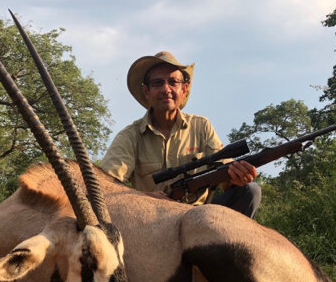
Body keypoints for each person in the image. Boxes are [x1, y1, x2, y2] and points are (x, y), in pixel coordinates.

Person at [100, 51, 261, 218]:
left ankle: (220, 244)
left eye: (173, 82)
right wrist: (143, 199)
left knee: (251, 191)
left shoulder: (201, 126)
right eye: (157, 83)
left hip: (200, 219)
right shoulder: (130, 136)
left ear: (184, 89)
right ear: (146, 91)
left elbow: (226, 181)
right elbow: (102, 186)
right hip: (150, 222)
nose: (166, 89)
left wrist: (238, 176)